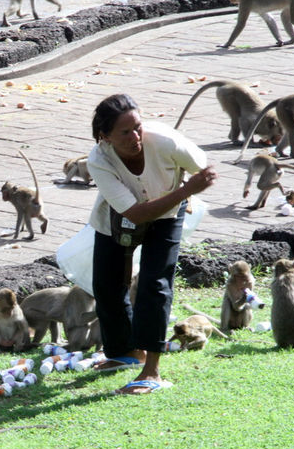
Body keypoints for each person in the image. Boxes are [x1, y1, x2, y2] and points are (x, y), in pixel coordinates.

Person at [86, 94, 218, 394]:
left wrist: (189, 191)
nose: (136, 137)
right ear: (105, 137)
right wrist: (184, 192)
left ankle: (152, 371)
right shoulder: (99, 159)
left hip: (168, 217)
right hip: (119, 219)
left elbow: (204, 170)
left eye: (138, 127)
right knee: (106, 284)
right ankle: (126, 352)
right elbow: (134, 211)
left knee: (154, 284)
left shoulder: (165, 142)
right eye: (125, 132)